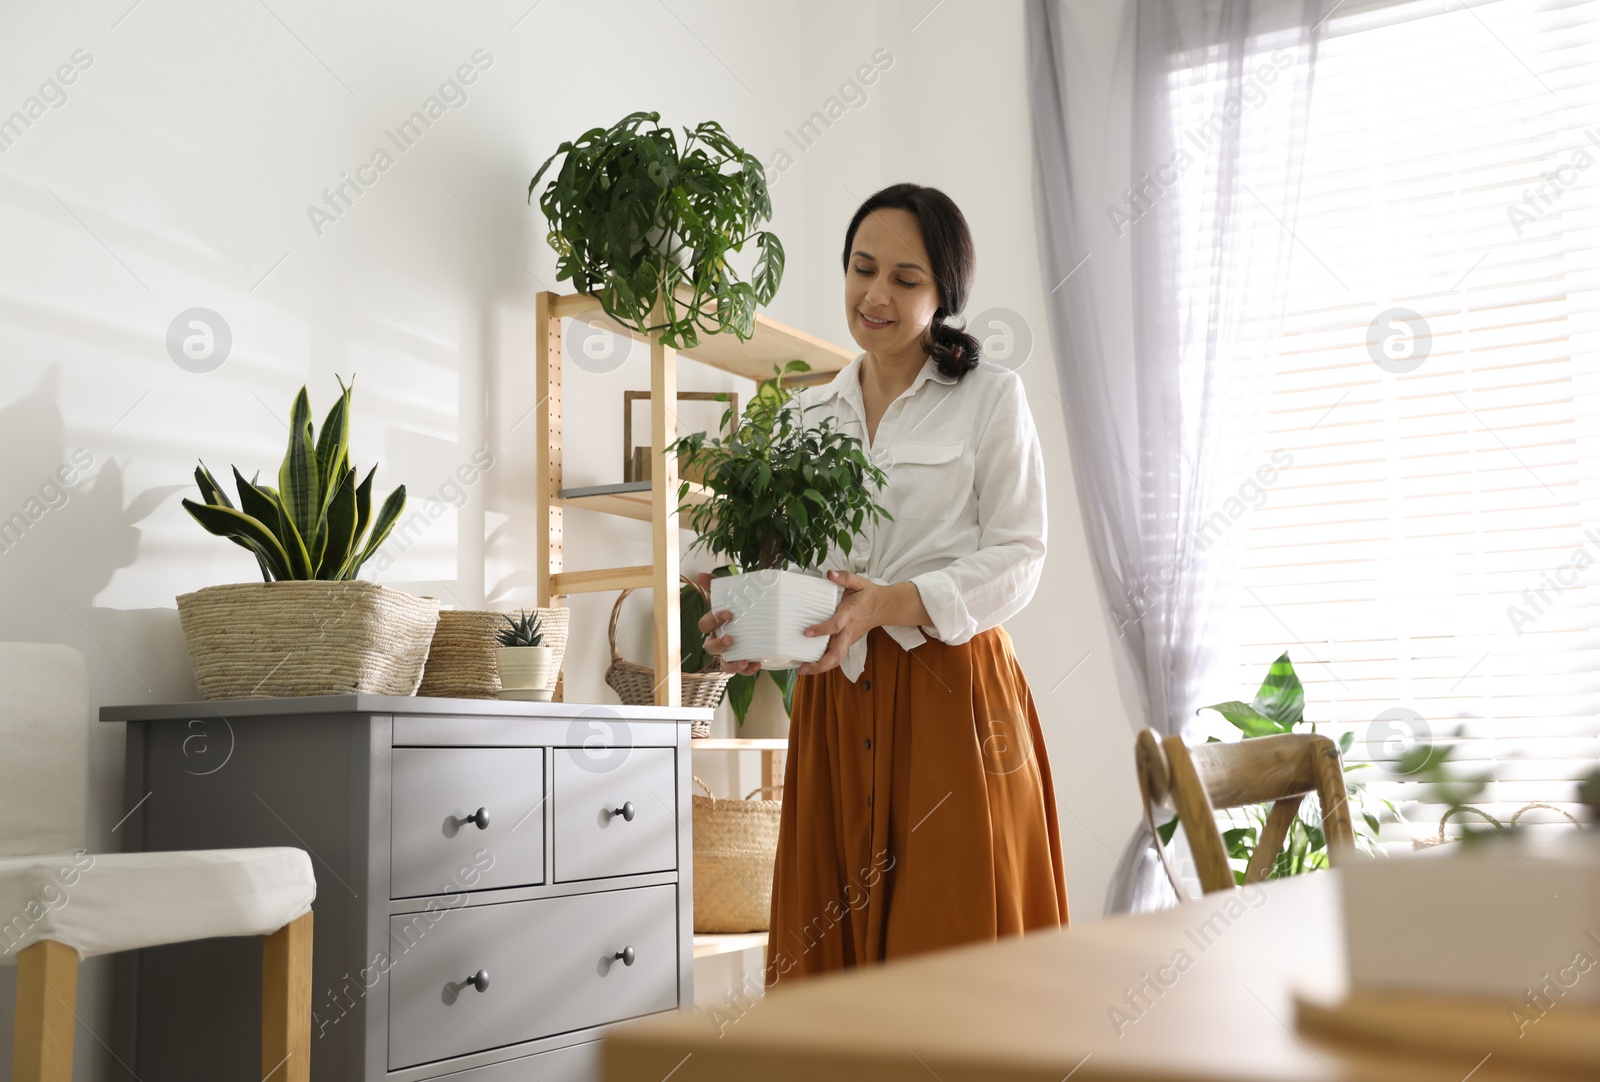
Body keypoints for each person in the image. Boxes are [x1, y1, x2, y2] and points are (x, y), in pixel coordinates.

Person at [697, 182, 1068, 988]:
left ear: (944, 295)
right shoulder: (803, 417)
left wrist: (891, 604)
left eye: (906, 278)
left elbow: (1021, 553)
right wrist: (756, 627)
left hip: (951, 696)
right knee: (832, 971)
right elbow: (791, 567)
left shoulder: (990, 398)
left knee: (954, 954)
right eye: (863, 269)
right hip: (837, 700)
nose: (876, 295)